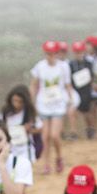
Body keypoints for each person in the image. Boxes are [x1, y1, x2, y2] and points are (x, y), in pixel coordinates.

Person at [30, 40, 73, 174]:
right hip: (43, 104)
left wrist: (71, 101)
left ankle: (59, 157)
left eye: (53, 53)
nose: (50, 56)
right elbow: (34, 85)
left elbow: (67, 85)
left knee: (55, 135)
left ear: (57, 53)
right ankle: (46, 164)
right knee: (45, 137)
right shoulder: (39, 67)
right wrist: (32, 101)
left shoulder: (63, 67)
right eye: (48, 53)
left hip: (58, 104)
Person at [0, 84, 40, 165]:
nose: (17, 104)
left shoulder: (29, 113)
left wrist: (29, 130)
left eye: (20, 102)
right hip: (10, 147)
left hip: (24, 148)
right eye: (15, 101)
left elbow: (40, 128)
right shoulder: (5, 113)